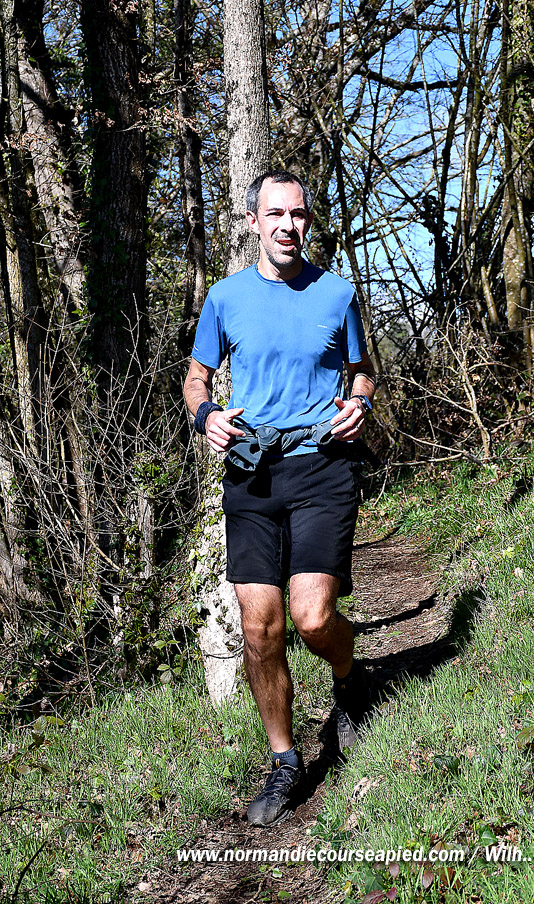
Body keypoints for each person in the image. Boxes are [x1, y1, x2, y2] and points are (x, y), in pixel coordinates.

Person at [183, 170, 376, 827]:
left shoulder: (337, 293)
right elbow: (195, 378)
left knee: (312, 619)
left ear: (307, 221)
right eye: (275, 214)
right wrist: (206, 414)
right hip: (252, 472)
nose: (288, 226)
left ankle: (349, 679)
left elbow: (362, 371)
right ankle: (285, 760)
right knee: (260, 629)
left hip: (323, 465)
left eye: (298, 214)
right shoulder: (225, 297)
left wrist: (358, 404)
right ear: (252, 222)